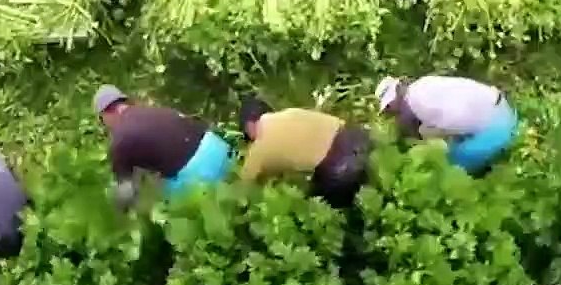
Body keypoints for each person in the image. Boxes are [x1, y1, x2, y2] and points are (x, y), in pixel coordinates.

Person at [93, 84, 233, 208]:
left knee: (174, 214)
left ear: (106, 114)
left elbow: (126, 191)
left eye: (102, 120)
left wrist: (118, 214)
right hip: (219, 148)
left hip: (198, 174)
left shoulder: (119, 141)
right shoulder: (151, 110)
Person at [238, 97, 371, 207]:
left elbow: (243, 188)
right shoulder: (291, 113)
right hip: (358, 138)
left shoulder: (258, 150)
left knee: (313, 209)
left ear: (250, 125)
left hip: (340, 170)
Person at [374, 74, 519, 175]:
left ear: (394, 98)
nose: (389, 111)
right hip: (505, 110)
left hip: (496, 129)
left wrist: (436, 139)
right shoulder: (423, 83)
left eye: (388, 107)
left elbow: (456, 122)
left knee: (448, 167)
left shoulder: (416, 104)